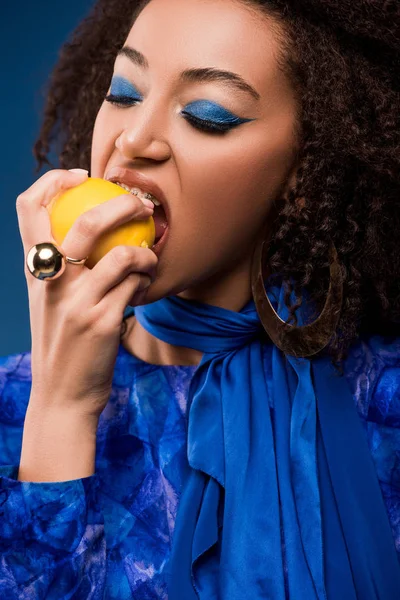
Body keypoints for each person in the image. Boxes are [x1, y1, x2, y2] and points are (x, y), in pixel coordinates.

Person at [0, 0, 399, 597]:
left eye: (207, 115)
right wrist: (60, 405)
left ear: (305, 169)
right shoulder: (13, 407)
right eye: (124, 92)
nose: (134, 140)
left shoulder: (383, 405)